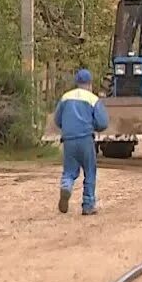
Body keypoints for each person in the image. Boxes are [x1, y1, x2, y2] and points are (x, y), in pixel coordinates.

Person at [53, 68, 110, 216]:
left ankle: (66, 186)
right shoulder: (93, 99)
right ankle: (88, 205)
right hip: (86, 139)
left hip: (69, 140)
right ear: (90, 84)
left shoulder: (65, 98)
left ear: (77, 82)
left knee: (69, 171)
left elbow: (57, 120)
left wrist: (67, 127)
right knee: (90, 171)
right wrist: (94, 126)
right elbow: (103, 123)